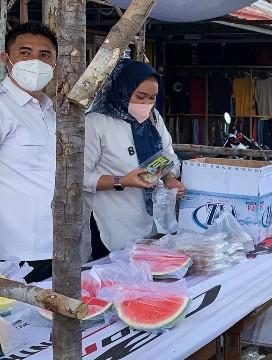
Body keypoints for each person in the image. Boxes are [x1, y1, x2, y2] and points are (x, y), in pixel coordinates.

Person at [83, 59, 184, 260]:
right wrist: (122, 181)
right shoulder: (96, 123)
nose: (146, 104)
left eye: (152, 98)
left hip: (151, 223)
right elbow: (79, 177)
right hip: (111, 224)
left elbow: (168, 154)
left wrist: (169, 178)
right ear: (122, 89)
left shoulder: (153, 118)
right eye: (140, 96)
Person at [0, 22, 58, 283]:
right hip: (14, 251)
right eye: (25, 52)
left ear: (55, 63)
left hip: (59, 246)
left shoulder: (54, 112)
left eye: (45, 55)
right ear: (6, 59)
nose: (36, 61)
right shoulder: (3, 107)